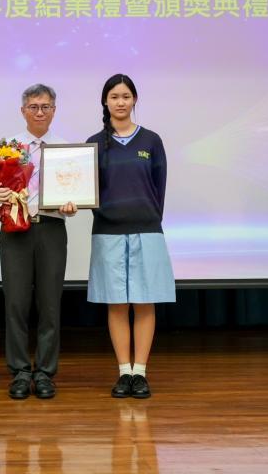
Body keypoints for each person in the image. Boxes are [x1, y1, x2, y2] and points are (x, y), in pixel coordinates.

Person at [0, 84, 78, 399]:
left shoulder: (66, 150)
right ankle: (20, 372)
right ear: (23, 111)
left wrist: (73, 204)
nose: (40, 112)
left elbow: (75, 191)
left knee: (50, 304)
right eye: (34, 107)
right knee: (16, 303)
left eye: (46, 107)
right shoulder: (7, 148)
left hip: (52, 228)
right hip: (15, 230)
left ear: (54, 110)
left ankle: (45, 373)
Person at [86, 74, 175, 399]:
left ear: (134, 99)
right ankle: (124, 371)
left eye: (125, 96)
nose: (120, 102)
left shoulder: (151, 140)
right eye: (114, 96)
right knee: (117, 304)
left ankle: (141, 373)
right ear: (105, 101)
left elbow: (159, 188)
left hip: (146, 231)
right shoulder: (94, 143)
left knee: (145, 302)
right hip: (107, 232)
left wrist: (146, 216)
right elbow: (85, 189)